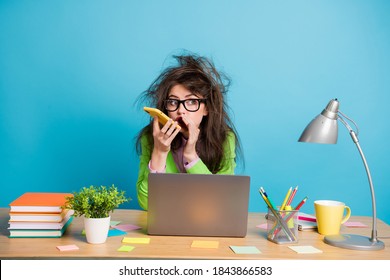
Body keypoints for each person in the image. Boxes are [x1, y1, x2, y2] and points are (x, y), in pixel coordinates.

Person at [135, 52, 243, 210]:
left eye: (191, 101)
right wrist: (159, 152)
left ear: (206, 108)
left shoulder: (224, 138)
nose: (181, 111)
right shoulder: (151, 137)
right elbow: (147, 204)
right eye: (173, 102)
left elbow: (220, 202)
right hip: (166, 225)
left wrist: (191, 155)